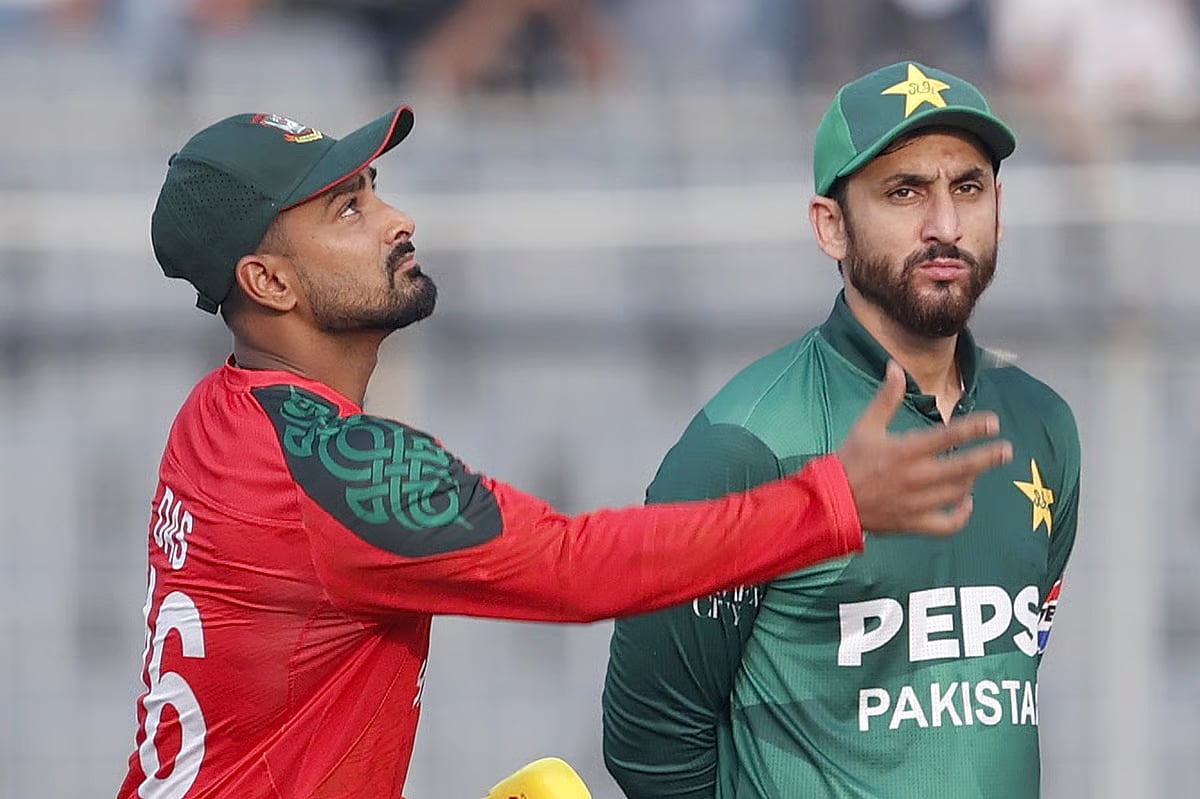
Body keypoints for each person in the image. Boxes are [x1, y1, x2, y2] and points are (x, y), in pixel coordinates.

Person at [114, 103, 1011, 799]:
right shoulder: (329, 465)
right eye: (349, 208)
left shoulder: (217, 417)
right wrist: (832, 503)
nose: (397, 217)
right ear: (268, 281)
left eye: (376, 186)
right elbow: (573, 569)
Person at [603, 61, 1081, 799]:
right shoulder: (743, 443)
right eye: (904, 191)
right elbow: (649, 744)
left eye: (969, 186)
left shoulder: (1043, 424)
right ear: (831, 225)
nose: (946, 226)